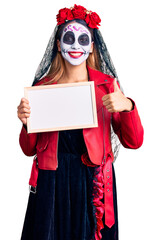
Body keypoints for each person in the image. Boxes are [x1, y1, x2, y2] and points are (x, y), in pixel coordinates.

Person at [17, 4, 144, 240]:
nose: (76, 45)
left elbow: (134, 142)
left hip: (93, 183)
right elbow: (28, 150)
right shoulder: (43, 89)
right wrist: (26, 123)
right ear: (58, 43)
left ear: (92, 46)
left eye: (83, 39)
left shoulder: (107, 86)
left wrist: (127, 106)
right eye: (69, 37)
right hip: (51, 183)